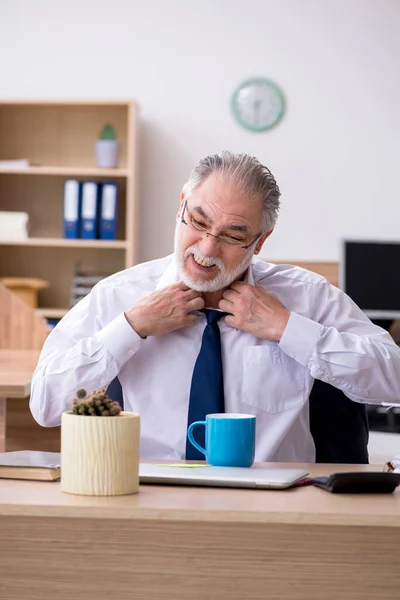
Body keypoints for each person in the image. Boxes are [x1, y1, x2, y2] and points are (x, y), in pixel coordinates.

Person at [30, 151, 400, 462]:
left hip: (276, 510)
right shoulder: (119, 295)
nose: (206, 249)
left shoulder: (308, 297)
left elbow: (394, 379)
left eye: (233, 236)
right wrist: (131, 327)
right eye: (199, 222)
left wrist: (289, 328)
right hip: (151, 502)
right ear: (181, 207)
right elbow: (45, 406)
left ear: (260, 241)